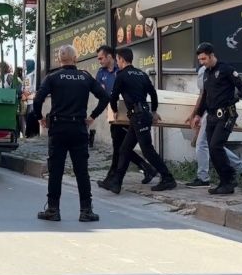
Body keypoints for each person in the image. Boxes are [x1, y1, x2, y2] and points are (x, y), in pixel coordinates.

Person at [31, 44, 109, 222]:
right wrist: (92, 116)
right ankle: (86, 210)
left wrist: (40, 117)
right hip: (78, 128)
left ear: (59, 60)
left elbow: (38, 99)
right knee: (82, 171)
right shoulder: (85, 77)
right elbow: (104, 97)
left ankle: (53, 209)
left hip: (58, 129)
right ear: (76, 58)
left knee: (56, 170)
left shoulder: (53, 77)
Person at [101, 47, 177, 194]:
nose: (117, 62)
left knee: (147, 150)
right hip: (142, 115)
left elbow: (113, 96)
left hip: (138, 117)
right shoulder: (141, 74)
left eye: (117, 60)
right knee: (124, 149)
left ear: (121, 60)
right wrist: (154, 110)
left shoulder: (121, 75)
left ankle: (168, 178)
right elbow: (153, 93)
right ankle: (116, 183)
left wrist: (115, 111)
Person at [190, 42, 242, 195]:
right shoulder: (206, 73)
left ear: (212, 55)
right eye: (200, 60)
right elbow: (205, 96)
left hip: (226, 114)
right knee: (213, 150)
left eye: (204, 59)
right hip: (212, 116)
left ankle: (230, 179)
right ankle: (224, 181)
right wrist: (198, 115)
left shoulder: (226, 69)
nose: (202, 62)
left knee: (215, 146)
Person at [95, 45, 157, 188]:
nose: (99, 61)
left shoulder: (122, 71)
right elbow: (102, 93)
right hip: (114, 115)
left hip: (129, 114)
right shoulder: (101, 73)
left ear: (110, 57)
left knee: (121, 148)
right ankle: (146, 168)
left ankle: (113, 178)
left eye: (101, 58)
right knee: (121, 147)